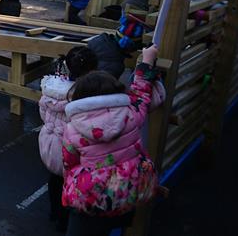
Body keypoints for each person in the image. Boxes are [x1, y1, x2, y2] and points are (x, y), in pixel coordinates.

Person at [62, 45, 163, 236]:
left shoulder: (73, 128)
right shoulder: (131, 113)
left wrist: (73, 182)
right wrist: (147, 60)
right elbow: (141, 92)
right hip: (127, 190)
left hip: (92, 198)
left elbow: (69, 162)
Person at [39, 47, 98, 232]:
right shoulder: (84, 97)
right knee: (71, 184)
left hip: (49, 142)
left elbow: (43, 112)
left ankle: (54, 213)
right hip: (70, 149)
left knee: (55, 179)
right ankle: (64, 222)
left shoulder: (52, 88)